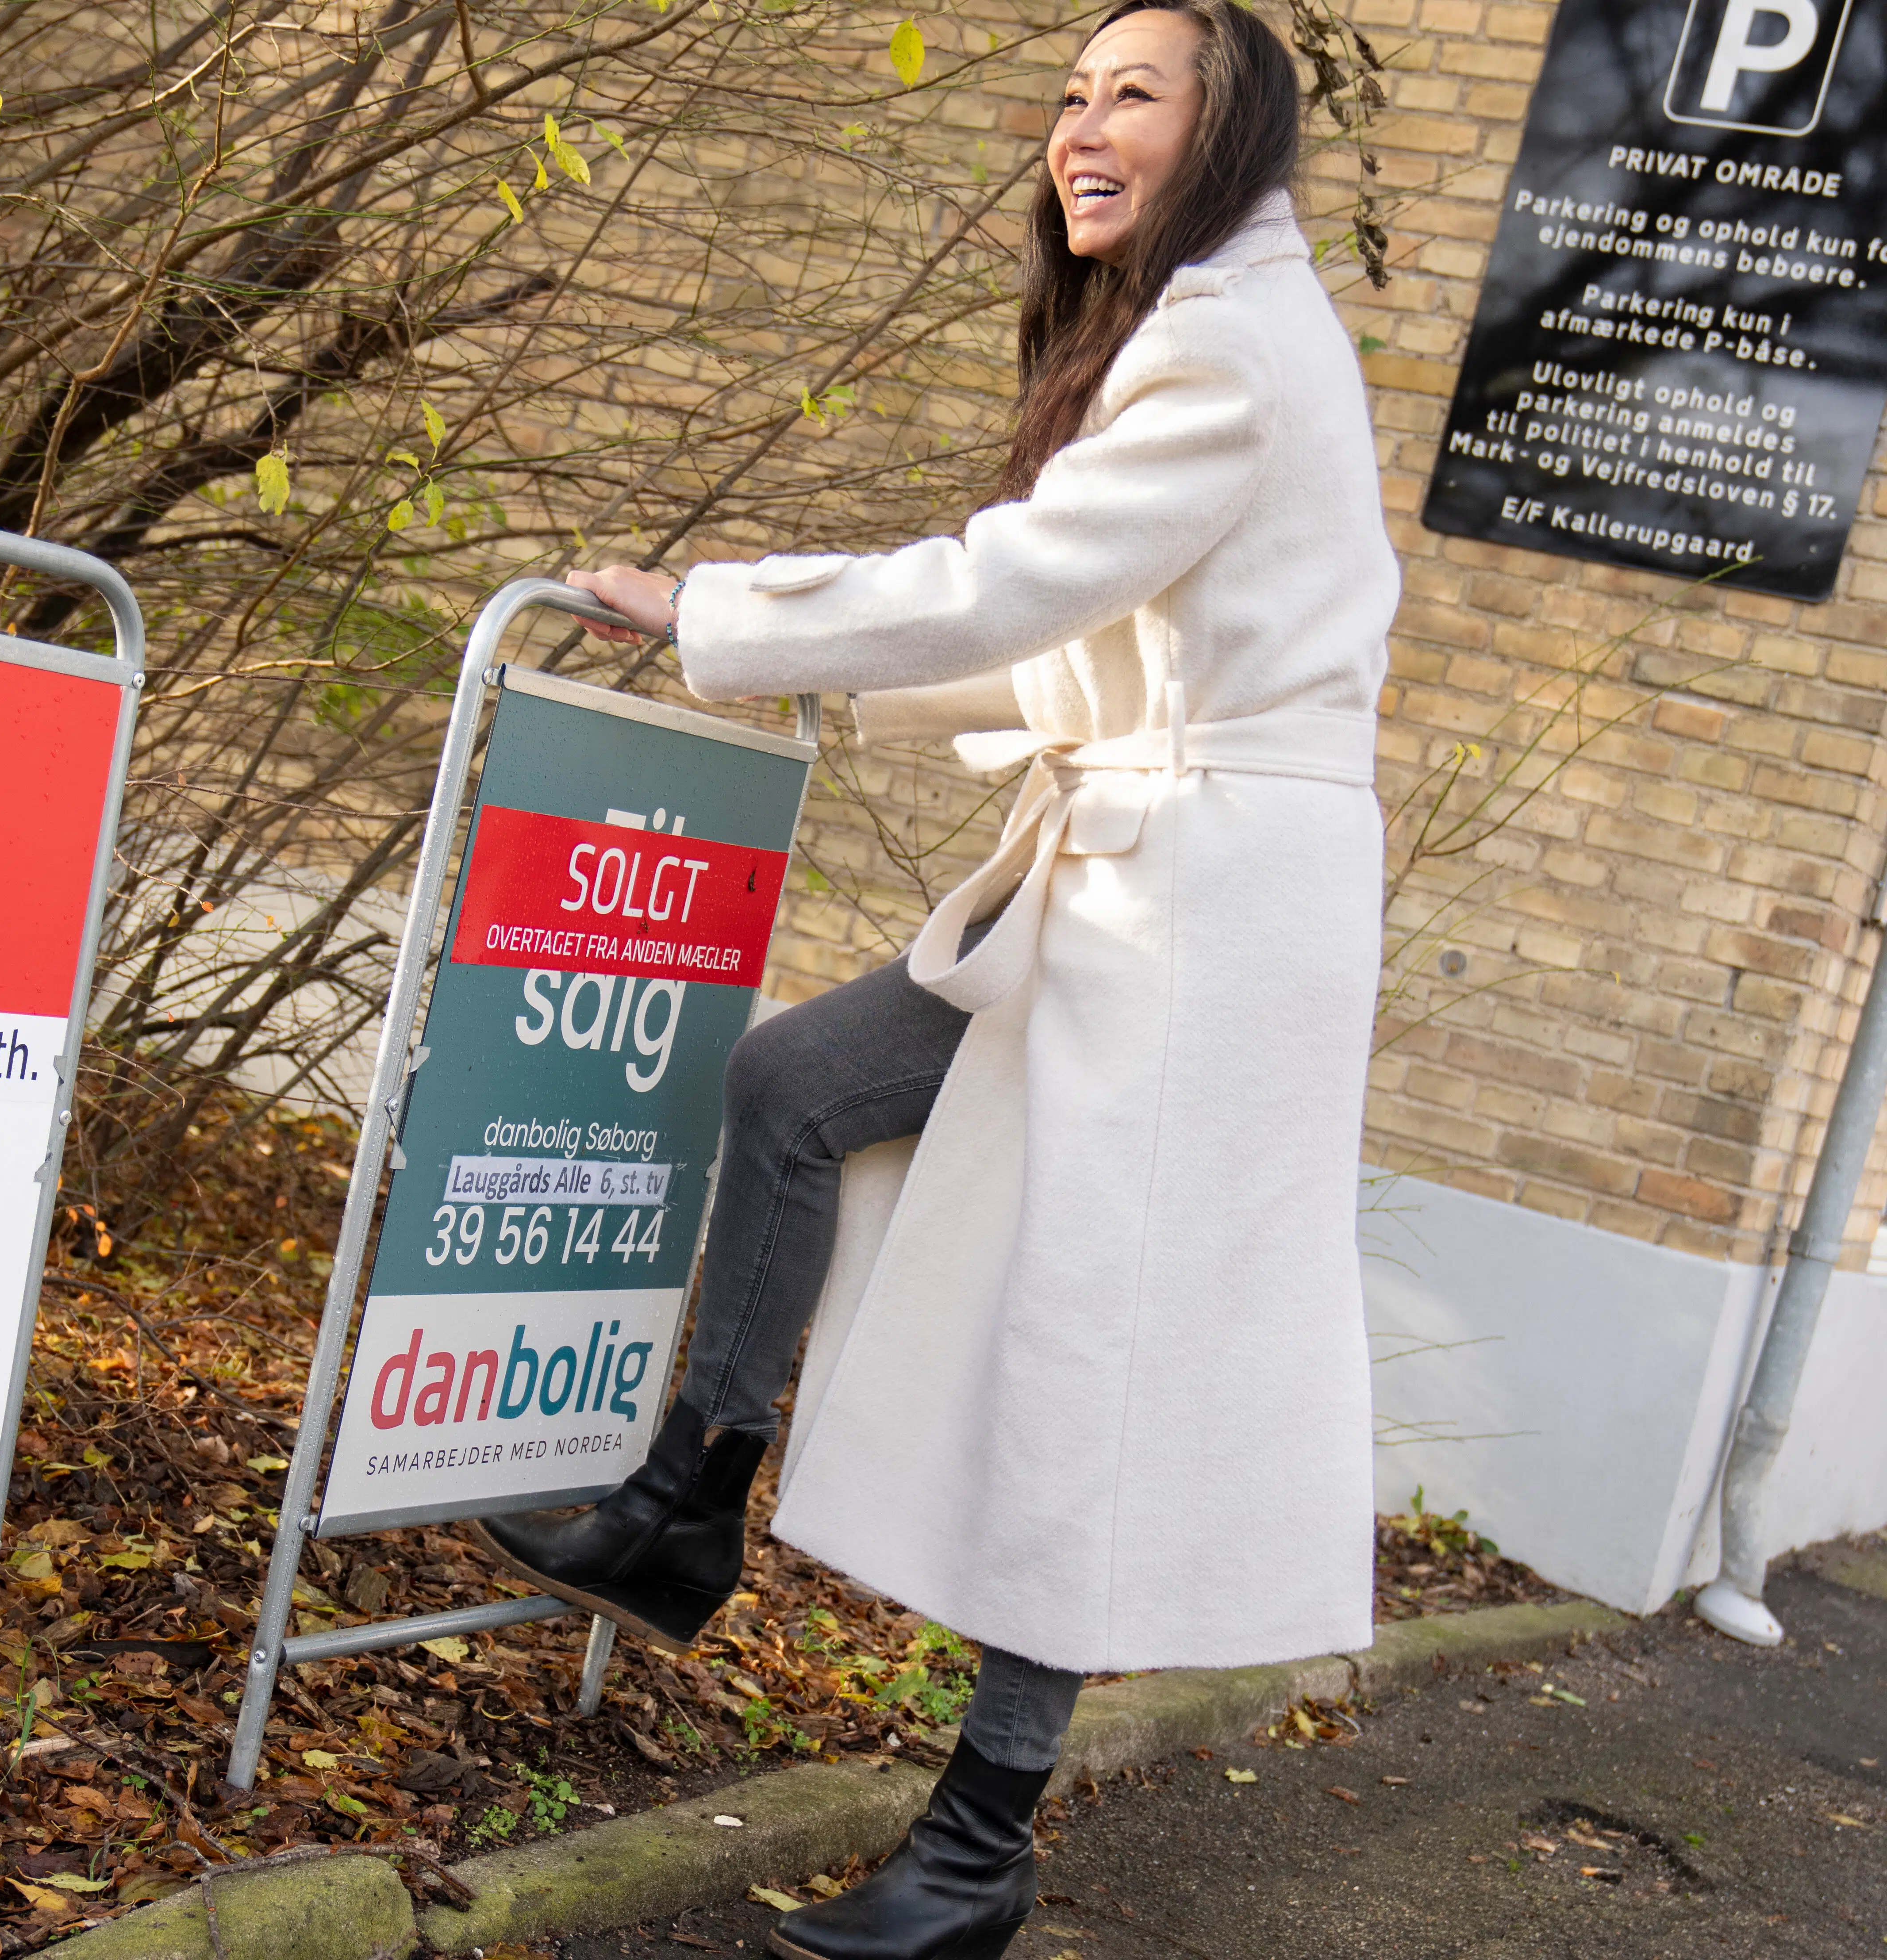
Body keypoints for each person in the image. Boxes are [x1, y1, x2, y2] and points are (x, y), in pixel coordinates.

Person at [475, 4, 1395, 1955]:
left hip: (1211, 916)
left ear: (1229, 135)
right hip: (1143, 868)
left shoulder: (1230, 346)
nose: (1081, 126)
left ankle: (976, 1846)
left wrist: (726, 615)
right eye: (1069, 94)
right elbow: (1067, 633)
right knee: (798, 1086)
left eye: (1132, 95)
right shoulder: (1191, 334)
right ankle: (686, 1499)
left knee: (1100, 1361)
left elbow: (1010, 585)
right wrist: (794, 649)